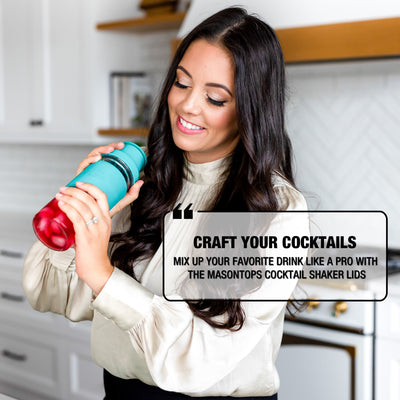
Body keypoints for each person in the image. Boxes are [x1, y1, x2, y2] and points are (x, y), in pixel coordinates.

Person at [23, 7, 309, 399]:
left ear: (250, 110)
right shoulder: (139, 178)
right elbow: (47, 294)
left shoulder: (275, 211)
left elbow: (204, 357)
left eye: (214, 97)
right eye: (181, 83)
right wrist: (79, 213)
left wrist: (106, 277)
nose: (188, 105)